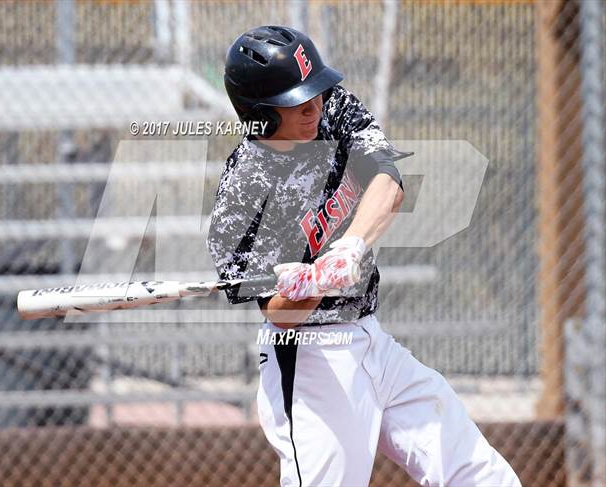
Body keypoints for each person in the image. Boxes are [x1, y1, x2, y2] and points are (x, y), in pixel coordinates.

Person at [207, 25, 521, 487]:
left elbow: (387, 180)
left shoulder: (332, 107)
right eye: (297, 101)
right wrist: (316, 285)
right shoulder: (243, 193)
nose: (314, 107)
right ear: (260, 115)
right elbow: (279, 313)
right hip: (312, 360)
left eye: (314, 92)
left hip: (373, 340)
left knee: (480, 474)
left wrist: (349, 247)